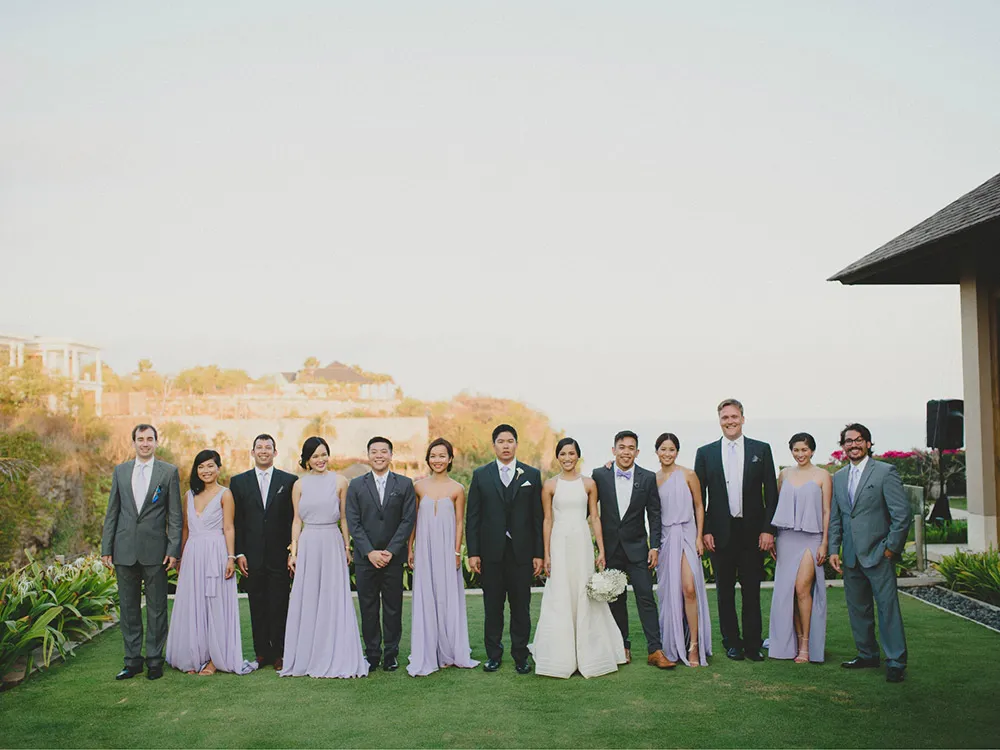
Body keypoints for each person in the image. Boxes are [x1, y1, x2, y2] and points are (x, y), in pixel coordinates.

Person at [530, 438, 626, 678]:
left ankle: (591, 652)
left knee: (585, 593)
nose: (567, 458)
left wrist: (601, 549)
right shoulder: (550, 485)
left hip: (582, 542)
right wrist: (546, 554)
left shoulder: (589, 484)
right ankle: (560, 655)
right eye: (563, 454)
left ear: (578, 456)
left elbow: (595, 518)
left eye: (571, 453)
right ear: (557, 457)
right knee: (560, 592)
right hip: (559, 542)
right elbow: (547, 520)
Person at [694, 399, 778, 662]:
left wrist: (768, 530)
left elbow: (772, 494)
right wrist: (705, 530)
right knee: (724, 591)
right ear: (719, 420)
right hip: (719, 534)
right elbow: (699, 497)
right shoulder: (705, 453)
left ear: (743, 418)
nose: (729, 421)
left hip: (752, 533)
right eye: (725, 417)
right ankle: (731, 642)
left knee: (751, 590)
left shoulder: (761, 450)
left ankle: (753, 644)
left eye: (734, 416)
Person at [828, 423, 911, 683]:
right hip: (851, 556)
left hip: (879, 554)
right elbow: (837, 518)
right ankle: (867, 654)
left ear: (869, 444)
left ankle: (895, 661)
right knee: (858, 609)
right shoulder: (838, 477)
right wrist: (834, 548)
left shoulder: (885, 472)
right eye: (848, 441)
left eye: (859, 440)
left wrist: (890, 549)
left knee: (888, 609)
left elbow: (902, 514)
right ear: (843, 447)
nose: (854, 445)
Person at [281, 437, 368, 679]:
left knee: (332, 596)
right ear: (307, 459)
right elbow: (297, 520)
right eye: (315, 456)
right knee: (308, 596)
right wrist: (294, 552)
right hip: (309, 542)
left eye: (323, 454)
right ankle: (308, 656)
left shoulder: (340, 481)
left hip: (331, 541)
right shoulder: (299, 485)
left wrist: (347, 547)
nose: (320, 460)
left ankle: (336, 652)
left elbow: (344, 518)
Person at [100, 424, 182, 680]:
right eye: (140, 439)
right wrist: (106, 548)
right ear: (133, 442)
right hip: (123, 549)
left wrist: (173, 549)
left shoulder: (168, 472)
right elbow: (112, 511)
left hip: (156, 551)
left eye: (149, 439)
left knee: (157, 608)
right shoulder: (120, 471)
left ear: (156, 442)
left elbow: (175, 515)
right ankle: (132, 660)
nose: (145, 443)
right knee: (128, 607)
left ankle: (154, 661)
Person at [165, 450, 254, 675]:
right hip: (193, 553)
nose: (206, 471)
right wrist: (181, 557)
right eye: (202, 466)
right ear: (196, 470)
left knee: (215, 604)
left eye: (211, 466)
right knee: (194, 604)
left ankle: (216, 660)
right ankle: (196, 657)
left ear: (218, 468)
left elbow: (229, 528)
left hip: (217, 552)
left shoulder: (225, 494)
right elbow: (185, 528)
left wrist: (230, 558)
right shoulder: (188, 495)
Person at [593, 430, 675, 669]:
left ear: (637, 452)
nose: (626, 452)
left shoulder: (648, 478)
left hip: (639, 548)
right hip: (611, 549)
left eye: (631, 448)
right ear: (613, 450)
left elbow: (655, 514)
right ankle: (622, 648)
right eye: (622, 447)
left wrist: (655, 546)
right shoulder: (600, 475)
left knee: (646, 597)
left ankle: (655, 650)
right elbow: (589, 506)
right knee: (615, 599)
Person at [466, 424, 543, 674]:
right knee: (493, 607)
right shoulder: (481, 475)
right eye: (501, 441)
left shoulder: (531, 475)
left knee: (521, 607)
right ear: (494, 445)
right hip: (491, 554)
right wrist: (474, 552)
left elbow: (537, 518)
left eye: (510, 441)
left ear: (517, 444)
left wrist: (538, 554)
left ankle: (521, 656)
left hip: (522, 553)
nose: (506, 445)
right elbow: (473, 517)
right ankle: (494, 655)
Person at [406, 437, 479, 676]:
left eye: (442, 456)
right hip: (425, 549)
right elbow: (413, 522)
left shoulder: (458, 489)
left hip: (447, 550)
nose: (437, 460)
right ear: (428, 459)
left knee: (447, 597)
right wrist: (410, 548)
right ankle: (428, 651)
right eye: (433, 456)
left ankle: (449, 651)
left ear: (450, 459)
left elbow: (460, 523)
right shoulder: (418, 487)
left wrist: (457, 552)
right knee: (427, 595)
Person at [346, 436, 417, 672]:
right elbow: (353, 522)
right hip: (366, 559)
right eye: (374, 451)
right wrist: (369, 552)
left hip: (392, 558)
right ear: (368, 455)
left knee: (393, 607)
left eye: (383, 451)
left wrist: (390, 551)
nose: (379, 455)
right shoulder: (356, 485)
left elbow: (408, 520)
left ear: (391, 455)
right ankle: (372, 653)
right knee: (368, 607)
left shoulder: (405, 484)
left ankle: (391, 653)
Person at [231, 434, 298, 670]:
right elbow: (236, 521)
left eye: (268, 447)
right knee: (256, 604)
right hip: (252, 556)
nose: (263, 451)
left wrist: (293, 551)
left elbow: (294, 519)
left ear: (275, 452)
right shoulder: (238, 482)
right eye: (259, 447)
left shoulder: (289, 481)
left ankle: (280, 652)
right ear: (252, 452)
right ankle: (262, 652)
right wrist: (239, 553)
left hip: (279, 555)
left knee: (280, 604)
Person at [767, 433, 830, 663]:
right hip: (786, 538)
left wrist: (825, 543)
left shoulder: (823, 475)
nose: (800, 454)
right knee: (788, 592)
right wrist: (773, 537)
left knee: (803, 588)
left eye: (804, 450)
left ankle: (806, 646)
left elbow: (826, 512)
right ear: (791, 451)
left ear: (812, 451)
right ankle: (794, 640)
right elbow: (776, 507)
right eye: (796, 450)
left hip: (811, 539)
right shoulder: (784, 474)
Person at [654, 433, 712, 667]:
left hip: (687, 534)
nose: (667, 453)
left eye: (672, 449)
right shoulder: (653, 479)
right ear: (656, 451)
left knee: (689, 588)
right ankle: (673, 643)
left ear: (677, 451)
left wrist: (698, 536)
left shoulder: (688, 474)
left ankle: (694, 646)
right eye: (663, 449)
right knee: (669, 593)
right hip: (667, 538)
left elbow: (699, 505)